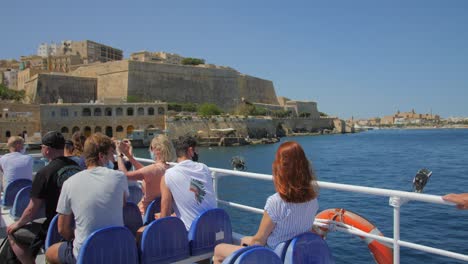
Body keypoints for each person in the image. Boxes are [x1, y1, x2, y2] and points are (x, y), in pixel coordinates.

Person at [213, 141, 320, 264]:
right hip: (294, 256)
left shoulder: (276, 202)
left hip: (271, 257)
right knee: (244, 240)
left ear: (280, 168)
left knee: (218, 250)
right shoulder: (313, 200)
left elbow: (259, 241)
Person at [45, 133, 129, 264]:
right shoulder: (119, 177)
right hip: (117, 249)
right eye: (111, 154)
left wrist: (75, 238)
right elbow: (122, 204)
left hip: (86, 253)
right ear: (101, 156)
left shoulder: (69, 183)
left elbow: (62, 228)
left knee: (50, 252)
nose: (112, 158)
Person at [5, 131, 81, 264]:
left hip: (56, 227)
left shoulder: (44, 173)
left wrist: (17, 224)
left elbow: (31, 210)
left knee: (13, 234)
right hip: (77, 224)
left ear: (47, 150)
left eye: (42, 147)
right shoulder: (77, 167)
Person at [160, 136, 216, 230]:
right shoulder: (204, 168)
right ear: (190, 151)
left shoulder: (168, 176)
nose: (196, 153)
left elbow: (165, 213)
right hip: (215, 229)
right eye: (196, 150)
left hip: (193, 234)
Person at [116, 135, 175, 215]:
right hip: (158, 211)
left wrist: (119, 155)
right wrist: (129, 156)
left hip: (144, 213)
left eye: (151, 148)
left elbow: (124, 175)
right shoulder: (170, 169)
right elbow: (144, 171)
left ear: (156, 150)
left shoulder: (152, 169)